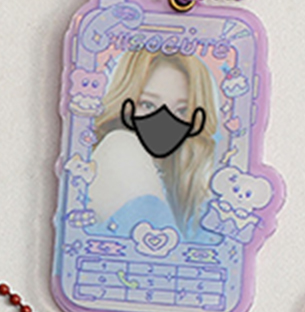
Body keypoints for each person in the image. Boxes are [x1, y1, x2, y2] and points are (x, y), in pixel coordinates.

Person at [87, 50, 219, 238]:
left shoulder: (186, 181)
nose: (165, 120)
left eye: (182, 110)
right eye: (148, 105)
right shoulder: (120, 147)